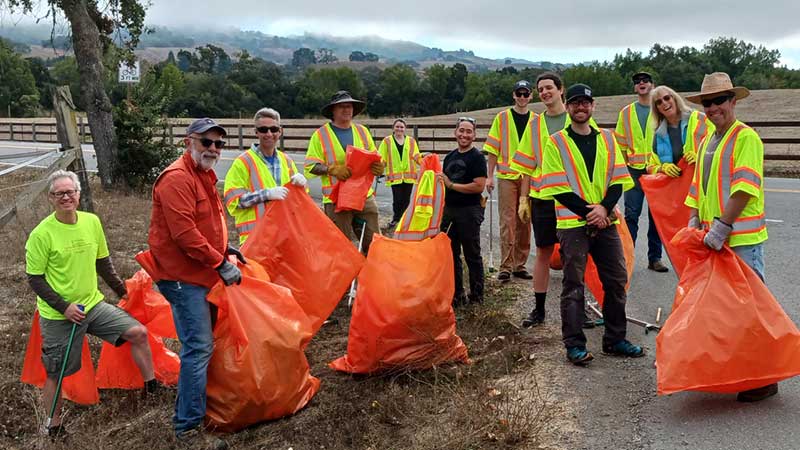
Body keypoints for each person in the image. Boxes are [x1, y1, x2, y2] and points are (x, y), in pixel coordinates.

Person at [25, 170, 158, 438]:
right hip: (59, 314)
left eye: (70, 192)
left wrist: (123, 292)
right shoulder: (41, 235)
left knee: (138, 333)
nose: (66, 197)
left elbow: (103, 263)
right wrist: (64, 307)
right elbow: (35, 279)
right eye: (59, 193)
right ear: (51, 198)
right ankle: (52, 425)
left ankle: (152, 388)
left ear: (79, 194)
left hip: (92, 304)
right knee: (55, 371)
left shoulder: (91, 222)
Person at [148, 117, 240, 449]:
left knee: (205, 345)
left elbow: (206, 224)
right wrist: (219, 263)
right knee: (198, 347)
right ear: (189, 141)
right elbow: (185, 235)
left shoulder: (203, 174)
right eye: (206, 142)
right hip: (183, 278)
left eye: (219, 144)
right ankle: (187, 429)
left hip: (203, 272)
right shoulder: (177, 179)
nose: (213, 149)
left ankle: (206, 405)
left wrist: (225, 248)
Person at [684, 72, 774, 402]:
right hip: (715, 239)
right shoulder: (710, 140)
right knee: (728, 311)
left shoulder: (745, 138)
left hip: (741, 239)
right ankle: (742, 371)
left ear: (733, 101)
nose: (713, 107)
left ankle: (764, 377)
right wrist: (695, 217)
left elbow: (744, 188)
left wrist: (722, 225)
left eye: (719, 100)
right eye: (707, 102)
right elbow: (699, 185)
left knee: (751, 310)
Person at [539, 84, 644, 365]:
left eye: (585, 102)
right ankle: (574, 345)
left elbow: (618, 180)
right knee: (573, 284)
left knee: (615, 280)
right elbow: (556, 187)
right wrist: (591, 213)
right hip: (573, 224)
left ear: (593, 106)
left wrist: (603, 210)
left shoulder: (608, 139)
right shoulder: (557, 142)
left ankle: (615, 339)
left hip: (605, 221)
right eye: (575, 103)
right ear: (568, 107)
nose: (580, 107)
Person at [512, 72, 597, 328]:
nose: (545, 92)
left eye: (549, 87)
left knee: (575, 255)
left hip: (572, 199)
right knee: (543, 253)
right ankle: (539, 310)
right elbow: (527, 164)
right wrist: (524, 198)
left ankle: (579, 311)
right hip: (543, 198)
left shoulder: (577, 119)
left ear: (561, 90)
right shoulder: (535, 124)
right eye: (541, 89)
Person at [305, 90, 384, 253]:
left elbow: (374, 157)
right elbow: (310, 166)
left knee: (375, 244)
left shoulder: (362, 132)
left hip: (363, 197)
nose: (347, 110)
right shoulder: (320, 135)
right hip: (336, 199)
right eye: (342, 106)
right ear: (332, 111)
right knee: (340, 248)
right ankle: (345, 278)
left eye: (349, 106)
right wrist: (332, 169)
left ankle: (371, 276)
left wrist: (379, 166)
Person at [223, 107, 308, 244]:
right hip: (255, 240)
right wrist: (265, 195)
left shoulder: (287, 161)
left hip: (284, 236)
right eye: (263, 130)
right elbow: (234, 201)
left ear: (280, 131)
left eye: (273, 129)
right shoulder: (243, 162)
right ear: (256, 132)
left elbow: (299, 200)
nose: (269, 134)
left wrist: (302, 186)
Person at [615, 71, 668, 272]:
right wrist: (622, 168)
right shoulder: (626, 113)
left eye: (645, 81)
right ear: (635, 87)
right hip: (634, 171)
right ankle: (626, 258)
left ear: (652, 84)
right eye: (637, 81)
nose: (641, 83)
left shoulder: (661, 110)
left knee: (656, 216)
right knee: (631, 215)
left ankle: (655, 258)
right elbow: (620, 144)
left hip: (657, 171)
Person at [483, 80, 534, 282]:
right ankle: (505, 265)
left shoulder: (537, 120)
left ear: (530, 96)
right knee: (507, 221)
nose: (522, 97)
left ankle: (519, 265)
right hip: (506, 177)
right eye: (519, 93)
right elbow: (493, 148)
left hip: (528, 178)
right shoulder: (502, 118)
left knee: (525, 220)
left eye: (526, 94)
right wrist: (489, 175)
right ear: (514, 95)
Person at [439, 117, 488, 306]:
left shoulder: (476, 157)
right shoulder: (450, 157)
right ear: (455, 132)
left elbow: (478, 186)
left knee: (472, 254)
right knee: (451, 255)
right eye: (462, 130)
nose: (464, 135)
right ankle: (456, 295)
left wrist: (452, 185)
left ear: (474, 135)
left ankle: (477, 297)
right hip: (450, 210)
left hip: (469, 211)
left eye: (469, 131)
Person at [645, 85, 712, 176]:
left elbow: (719, 148)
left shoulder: (700, 119)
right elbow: (650, 167)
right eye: (659, 102)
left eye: (667, 98)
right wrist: (663, 168)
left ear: (675, 99)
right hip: (676, 187)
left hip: (702, 180)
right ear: (657, 109)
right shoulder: (659, 135)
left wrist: (701, 157)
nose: (664, 103)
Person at [379, 118, 422, 228]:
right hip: (395, 176)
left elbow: (416, 156)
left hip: (409, 176)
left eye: (402, 127)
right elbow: (381, 157)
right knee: (397, 199)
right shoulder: (387, 141)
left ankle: (404, 220)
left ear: (405, 129)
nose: (399, 129)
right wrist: (378, 168)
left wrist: (424, 163)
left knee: (406, 199)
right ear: (393, 128)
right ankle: (396, 219)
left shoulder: (411, 141)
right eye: (397, 126)